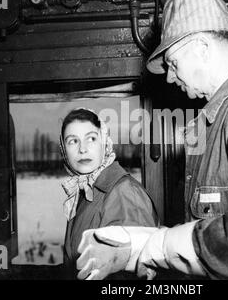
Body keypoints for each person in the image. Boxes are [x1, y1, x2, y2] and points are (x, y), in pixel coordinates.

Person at [75, 0, 228, 280]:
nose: (169, 76)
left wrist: (159, 246)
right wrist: (140, 251)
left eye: (173, 63)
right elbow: (212, 234)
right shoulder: (218, 121)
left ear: (201, 48)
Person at [59, 108, 158, 278]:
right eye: (73, 141)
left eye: (91, 138)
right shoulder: (85, 191)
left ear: (104, 142)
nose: (83, 149)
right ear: (63, 149)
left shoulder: (124, 192)